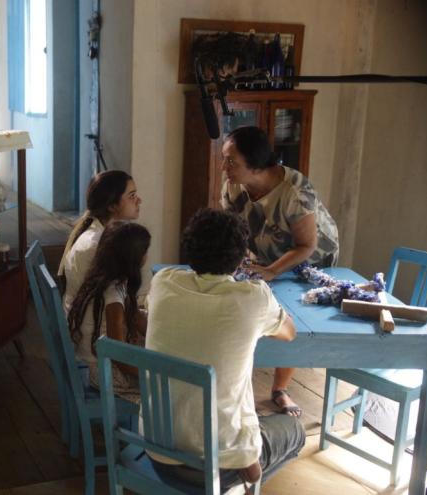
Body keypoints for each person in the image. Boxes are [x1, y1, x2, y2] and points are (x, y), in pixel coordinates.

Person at [146, 209, 305, 491]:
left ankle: (242, 457)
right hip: (214, 468)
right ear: (242, 257)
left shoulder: (163, 281)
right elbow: (289, 332)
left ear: (189, 248)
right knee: (295, 431)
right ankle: (238, 477)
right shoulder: (254, 296)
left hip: (157, 452)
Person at [221, 125, 339, 417]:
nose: (224, 167)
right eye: (224, 159)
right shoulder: (234, 185)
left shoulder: (294, 191)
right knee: (255, 308)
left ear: (256, 164)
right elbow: (232, 229)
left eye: (232, 161)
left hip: (310, 260)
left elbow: (307, 244)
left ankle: (280, 390)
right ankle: (242, 382)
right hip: (266, 254)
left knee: (291, 321)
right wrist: (238, 260)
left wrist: (272, 270)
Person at [67, 221, 150, 399]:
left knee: (152, 348)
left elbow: (135, 318)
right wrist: (150, 374)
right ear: (134, 258)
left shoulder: (105, 278)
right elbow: (118, 355)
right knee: (164, 387)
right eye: (145, 251)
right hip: (103, 372)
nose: (147, 256)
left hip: (95, 361)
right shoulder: (113, 298)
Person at [59, 170, 142, 314]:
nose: (139, 200)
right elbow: (116, 308)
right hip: (93, 325)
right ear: (112, 206)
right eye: (132, 196)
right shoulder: (98, 245)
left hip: (86, 317)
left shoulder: (99, 233)